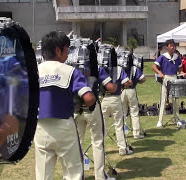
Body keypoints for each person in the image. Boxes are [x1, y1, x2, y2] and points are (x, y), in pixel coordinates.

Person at [35, 31, 95, 180]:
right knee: (73, 173)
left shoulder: (34, 72)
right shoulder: (71, 71)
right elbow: (89, 98)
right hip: (64, 127)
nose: (68, 53)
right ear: (58, 50)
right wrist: (80, 103)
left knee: (43, 175)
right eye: (67, 49)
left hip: (40, 128)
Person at [74, 46, 116, 180]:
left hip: (75, 109)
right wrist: (114, 85)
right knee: (97, 141)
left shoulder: (70, 69)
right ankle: (100, 176)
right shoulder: (96, 69)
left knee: (76, 143)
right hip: (92, 107)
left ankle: (76, 175)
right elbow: (110, 87)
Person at [100, 65, 134, 155]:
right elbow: (126, 83)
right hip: (115, 98)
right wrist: (130, 82)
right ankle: (122, 149)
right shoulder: (118, 68)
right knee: (119, 125)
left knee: (102, 126)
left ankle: (100, 150)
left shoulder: (99, 68)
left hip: (102, 99)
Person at [153, 39, 186, 128]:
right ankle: (160, 120)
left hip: (174, 78)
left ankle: (177, 119)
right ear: (167, 47)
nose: (173, 47)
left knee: (175, 100)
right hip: (166, 77)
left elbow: (180, 69)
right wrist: (160, 74)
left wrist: (182, 74)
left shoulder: (177, 57)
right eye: (171, 45)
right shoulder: (163, 57)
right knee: (163, 100)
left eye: (174, 45)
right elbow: (154, 66)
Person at [121, 66, 146, 139]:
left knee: (122, 113)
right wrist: (136, 81)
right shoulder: (134, 68)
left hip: (121, 91)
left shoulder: (119, 67)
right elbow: (143, 79)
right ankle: (136, 133)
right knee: (134, 112)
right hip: (131, 90)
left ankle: (122, 133)